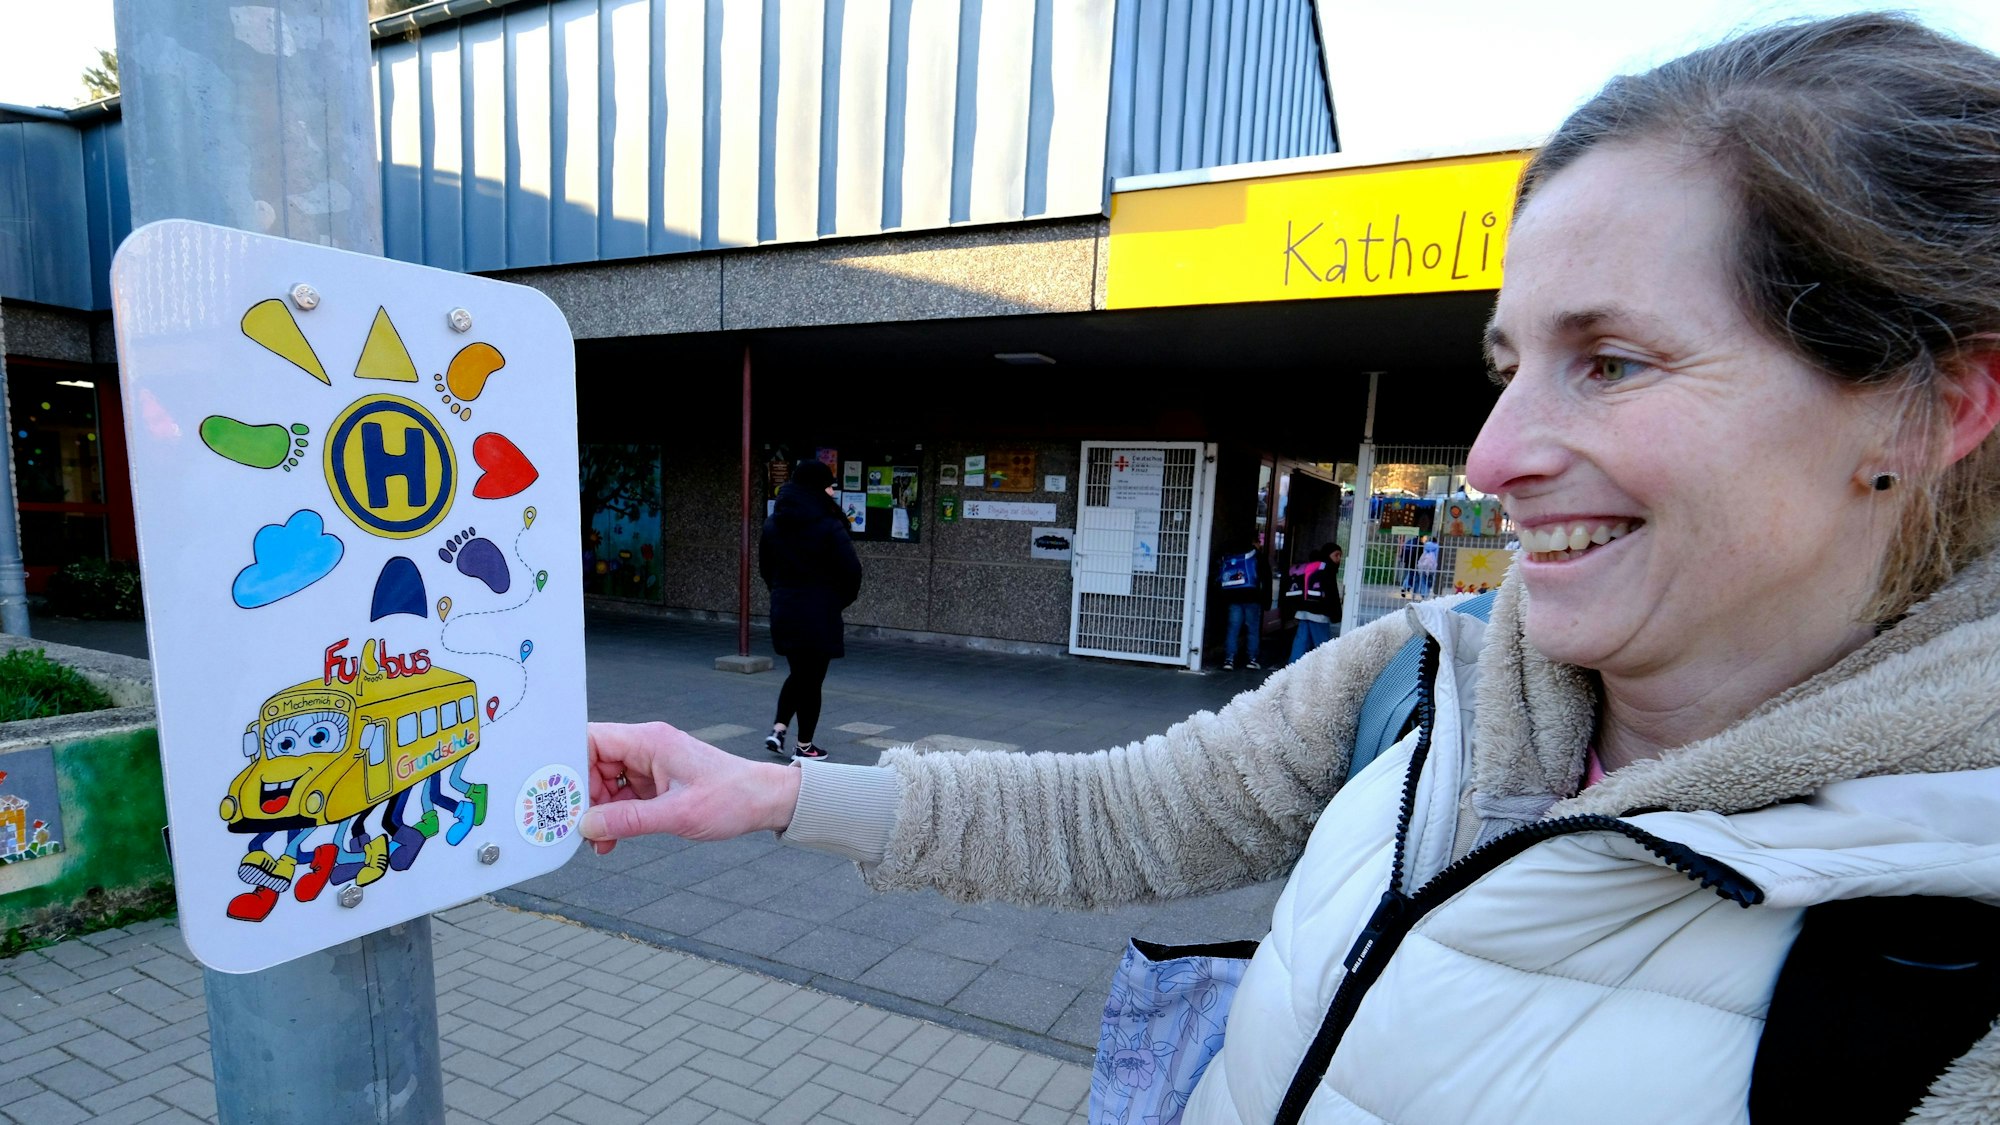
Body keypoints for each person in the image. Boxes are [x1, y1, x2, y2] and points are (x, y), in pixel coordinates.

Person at [579, 15, 2000, 1121]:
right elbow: (1119, 818)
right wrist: (778, 794)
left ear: (1931, 407)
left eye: (1611, 362)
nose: (1495, 456)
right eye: (1507, 367)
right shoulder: (1420, 675)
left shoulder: (1958, 962)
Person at [759, 459, 862, 761]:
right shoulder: (829, 525)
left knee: (799, 673)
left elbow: (766, 568)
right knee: (811, 680)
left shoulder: (773, 523)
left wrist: (781, 595)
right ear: (818, 488)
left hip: (785, 609)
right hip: (819, 614)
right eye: (829, 485)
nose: (832, 492)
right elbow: (852, 572)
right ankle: (804, 747)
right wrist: (836, 601)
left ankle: (778, 729)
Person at [1286, 543, 1342, 664]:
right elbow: (1332, 594)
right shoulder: (1328, 569)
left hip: (1303, 610)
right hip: (1319, 613)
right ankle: (1325, 668)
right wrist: (1336, 614)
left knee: (1301, 641)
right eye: (1336, 555)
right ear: (1328, 555)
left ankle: (1293, 668)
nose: (1339, 559)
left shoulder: (1311, 567)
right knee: (1322, 644)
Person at [1213, 539, 1264, 670]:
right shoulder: (1256, 555)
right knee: (1252, 629)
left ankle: (1229, 660)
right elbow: (1265, 577)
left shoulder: (1230, 554)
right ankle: (1252, 659)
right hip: (1252, 597)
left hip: (1233, 597)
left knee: (1233, 629)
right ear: (1254, 542)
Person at [1410, 533, 1440, 599]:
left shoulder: (1426, 545)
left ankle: (1423, 592)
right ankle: (1426, 594)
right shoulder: (1437, 547)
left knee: (1423, 580)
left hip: (1424, 565)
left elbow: (1423, 555)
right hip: (1432, 566)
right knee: (1430, 581)